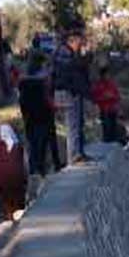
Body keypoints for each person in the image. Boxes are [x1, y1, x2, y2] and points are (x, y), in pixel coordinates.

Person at [53, 26, 90, 164]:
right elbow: (69, 72)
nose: (81, 44)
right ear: (72, 40)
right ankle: (74, 156)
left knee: (78, 123)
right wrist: (81, 59)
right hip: (68, 92)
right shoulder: (64, 53)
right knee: (73, 124)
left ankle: (79, 153)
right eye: (80, 41)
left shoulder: (70, 53)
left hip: (74, 91)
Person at [18, 58, 54, 177]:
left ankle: (33, 172)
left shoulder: (23, 85)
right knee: (41, 146)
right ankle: (40, 171)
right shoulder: (42, 84)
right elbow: (46, 101)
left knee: (33, 145)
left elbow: (22, 103)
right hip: (42, 118)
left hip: (29, 119)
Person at [0, 124, 29, 219]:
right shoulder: (19, 146)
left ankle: (10, 216)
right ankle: (19, 216)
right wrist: (26, 178)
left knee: (6, 198)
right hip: (18, 180)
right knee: (19, 198)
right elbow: (26, 164)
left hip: (2, 180)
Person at [90, 67, 121, 143]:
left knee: (113, 130)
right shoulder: (98, 86)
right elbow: (94, 98)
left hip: (112, 110)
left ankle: (113, 143)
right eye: (106, 74)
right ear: (102, 75)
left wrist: (112, 96)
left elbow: (118, 96)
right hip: (104, 110)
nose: (108, 76)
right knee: (106, 129)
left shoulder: (112, 85)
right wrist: (104, 97)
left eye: (109, 74)